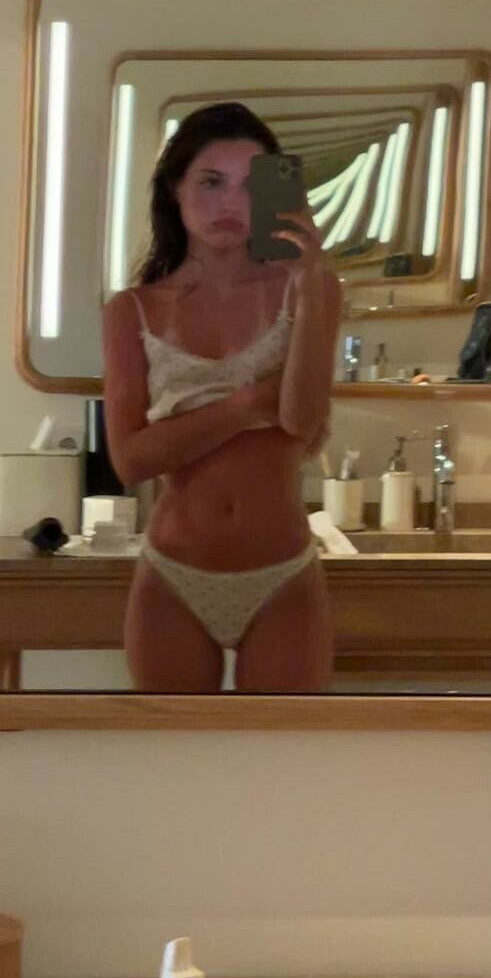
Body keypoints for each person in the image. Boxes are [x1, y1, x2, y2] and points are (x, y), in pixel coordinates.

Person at [101, 102, 341, 691]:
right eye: (211, 182)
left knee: (285, 746)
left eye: (250, 185)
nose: (230, 203)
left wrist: (311, 282)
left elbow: (302, 422)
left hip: (282, 573)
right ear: (175, 189)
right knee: (172, 747)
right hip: (173, 573)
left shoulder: (309, 289)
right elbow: (130, 460)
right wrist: (248, 405)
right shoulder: (133, 310)